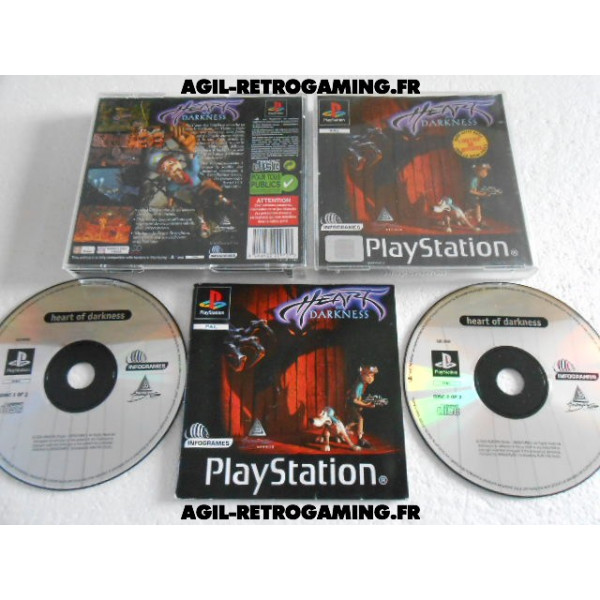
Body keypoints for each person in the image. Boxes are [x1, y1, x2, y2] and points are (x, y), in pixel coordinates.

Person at [346, 365, 379, 448]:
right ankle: (360, 439)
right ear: (362, 375)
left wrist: (363, 403)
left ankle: (344, 430)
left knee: (354, 421)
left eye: (372, 375)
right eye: (368, 375)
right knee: (360, 419)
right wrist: (366, 405)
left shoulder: (363, 384)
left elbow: (358, 397)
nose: (371, 378)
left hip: (354, 405)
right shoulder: (360, 385)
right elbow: (354, 400)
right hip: (351, 405)